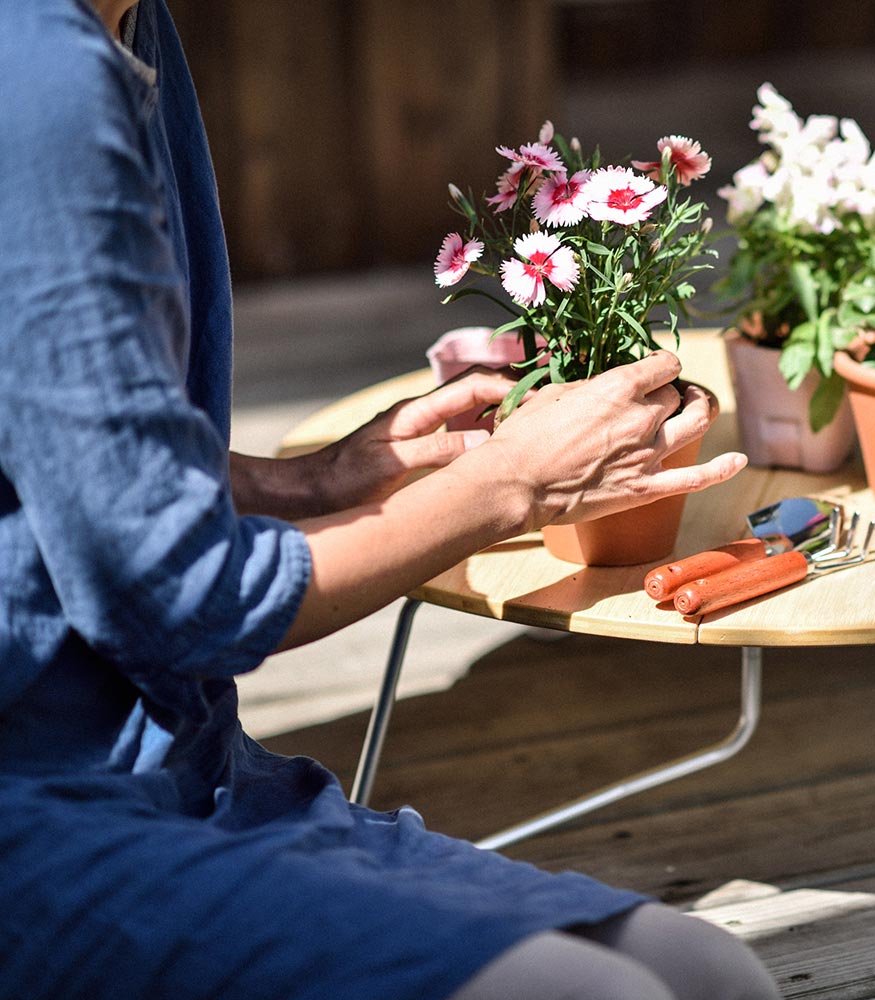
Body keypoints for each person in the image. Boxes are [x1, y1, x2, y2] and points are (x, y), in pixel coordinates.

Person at [0, 1, 781, 998]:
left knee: (710, 971)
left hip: (182, 768)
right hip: (41, 813)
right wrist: (505, 487)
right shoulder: (39, 79)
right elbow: (179, 598)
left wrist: (307, 478)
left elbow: (72, 441)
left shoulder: (132, 28)